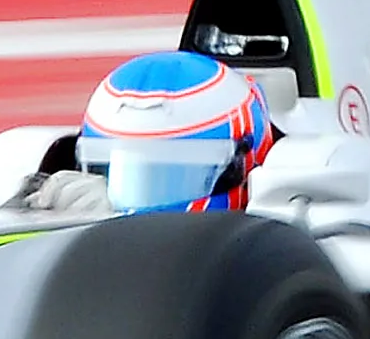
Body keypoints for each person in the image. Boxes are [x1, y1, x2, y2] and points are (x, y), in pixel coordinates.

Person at [28, 51, 277, 216]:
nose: (143, 204)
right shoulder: (75, 207)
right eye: (126, 174)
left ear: (245, 166)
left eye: (173, 178)